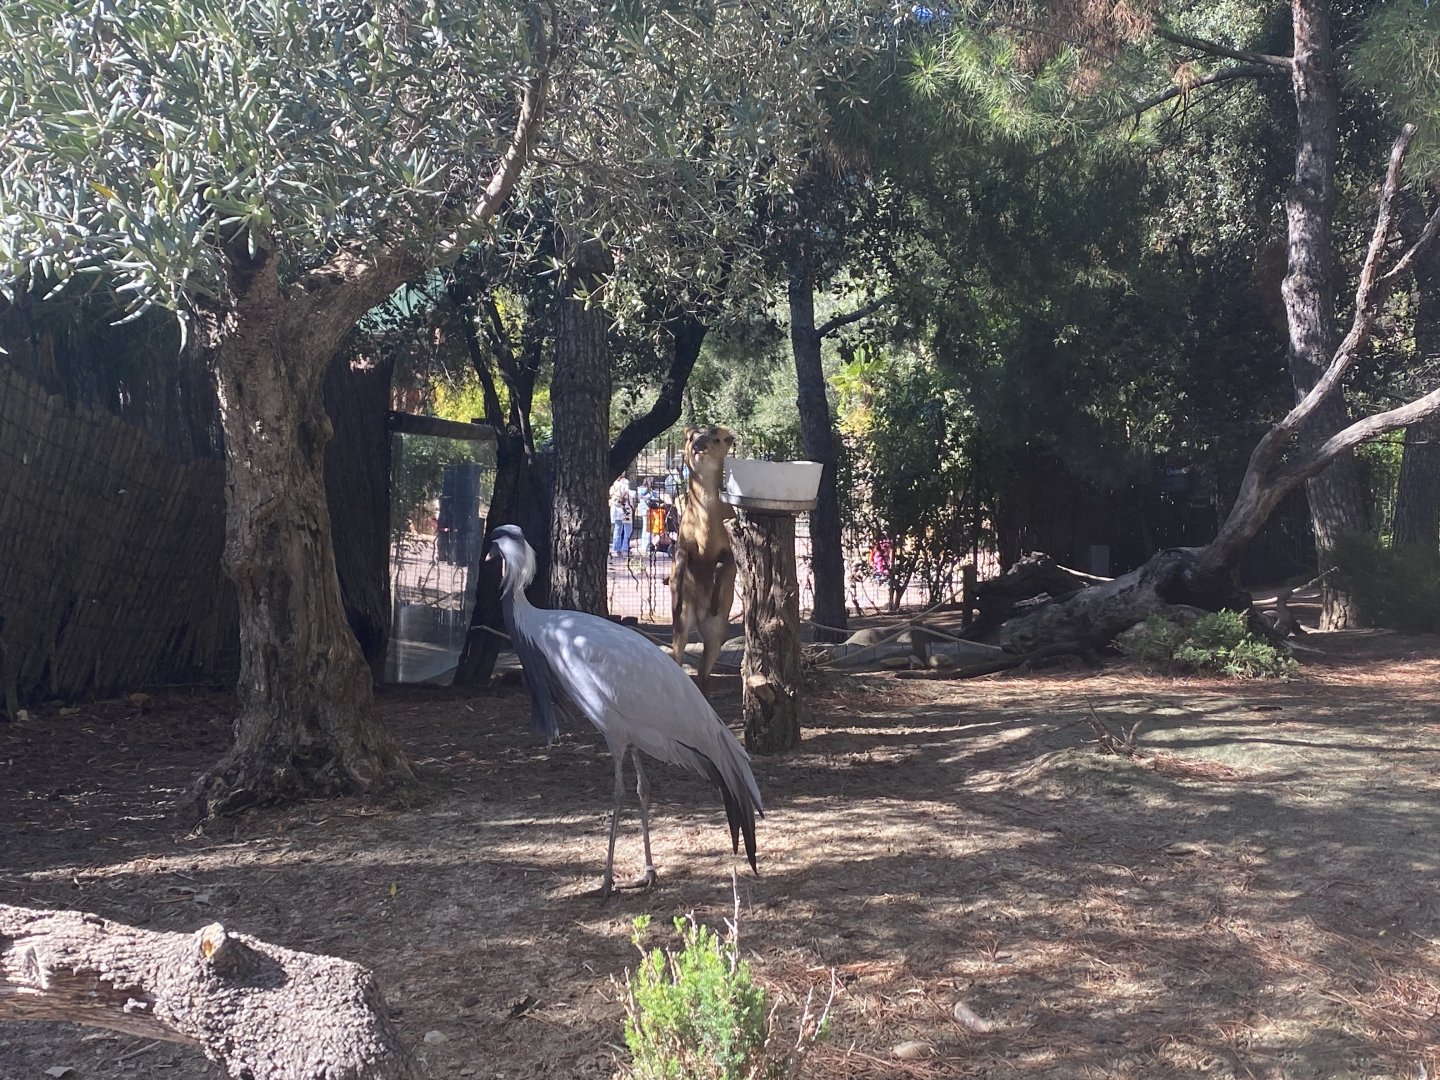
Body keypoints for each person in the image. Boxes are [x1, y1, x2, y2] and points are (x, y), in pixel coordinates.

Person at [609, 475, 635, 557]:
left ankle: (616, 549)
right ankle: (625, 548)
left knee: (617, 528)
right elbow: (632, 494)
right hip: (625, 508)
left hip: (615, 508)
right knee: (628, 529)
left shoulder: (613, 485)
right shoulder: (624, 483)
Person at [635, 478, 654, 553]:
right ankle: (647, 545)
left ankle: (644, 545)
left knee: (645, 527)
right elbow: (652, 497)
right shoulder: (648, 490)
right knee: (648, 528)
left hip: (643, 510)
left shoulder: (639, 489)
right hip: (648, 510)